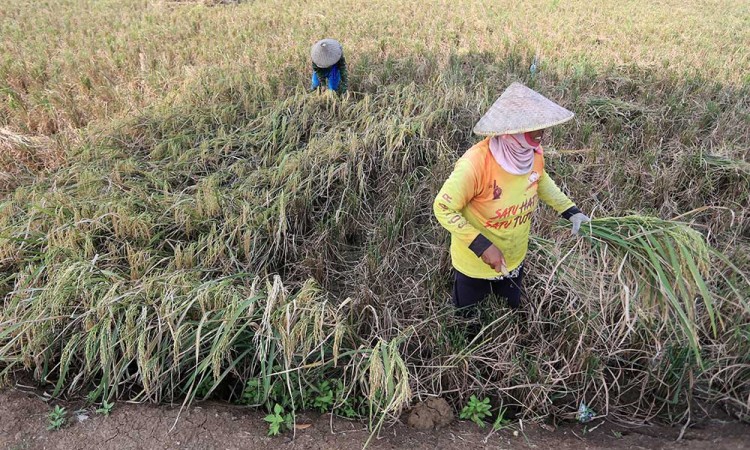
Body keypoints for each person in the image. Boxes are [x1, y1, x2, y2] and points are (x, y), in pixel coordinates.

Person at [433, 82, 590, 311]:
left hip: (515, 255)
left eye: (541, 128)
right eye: (532, 129)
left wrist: (570, 211)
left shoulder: (531, 153)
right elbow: (443, 207)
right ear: (508, 132)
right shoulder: (475, 165)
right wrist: (482, 246)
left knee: (510, 311)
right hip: (474, 264)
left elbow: (539, 179)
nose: (541, 134)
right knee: (468, 320)